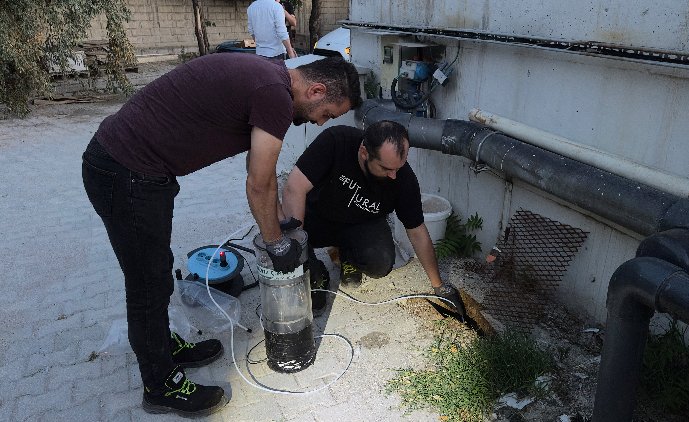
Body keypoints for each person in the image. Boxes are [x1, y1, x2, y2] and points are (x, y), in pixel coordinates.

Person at [81, 53, 361, 417]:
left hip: (131, 168)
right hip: (126, 173)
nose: (320, 122)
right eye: (326, 114)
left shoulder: (270, 80)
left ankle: (163, 347)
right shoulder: (274, 95)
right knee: (147, 284)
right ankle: (160, 386)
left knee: (156, 271)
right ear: (316, 90)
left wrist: (280, 222)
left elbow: (260, 168)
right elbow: (257, 184)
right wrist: (275, 243)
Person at [280, 121, 465, 317]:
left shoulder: (402, 178)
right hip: (316, 217)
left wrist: (439, 286)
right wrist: (298, 258)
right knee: (288, 227)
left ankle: (347, 256)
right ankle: (314, 269)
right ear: (364, 152)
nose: (393, 175)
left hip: (358, 224)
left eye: (398, 168)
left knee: (381, 263)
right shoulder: (336, 140)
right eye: (386, 169)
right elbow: (294, 188)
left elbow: (417, 231)